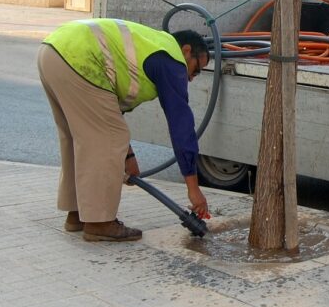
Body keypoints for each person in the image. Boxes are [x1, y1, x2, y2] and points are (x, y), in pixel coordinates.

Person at [37, 19, 212, 242]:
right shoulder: (172, 59)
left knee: (80, 137)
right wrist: (194, 189)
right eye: (196, 70)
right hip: (79, 57)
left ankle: (78, 214)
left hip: (52, 50)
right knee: (108, 138)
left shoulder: (153, 46)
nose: (190, 78)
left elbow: (109, 113)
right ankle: (99, 223)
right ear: (186, 51)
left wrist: (127, 157)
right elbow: (181, 125)